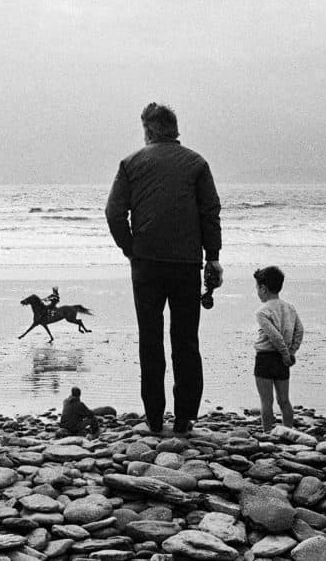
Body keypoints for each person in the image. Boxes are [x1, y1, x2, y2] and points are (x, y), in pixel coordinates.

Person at [105, 103, 222, 435]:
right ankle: (184, 418)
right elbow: (210, 212)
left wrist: (130, 249)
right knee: (186, 340)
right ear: (174, 129)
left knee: (150, 340)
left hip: (146, 264)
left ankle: (154, 418)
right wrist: (212, 257)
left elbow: (114, 214)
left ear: (149, 131)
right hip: (186, 263)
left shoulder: (130, 163)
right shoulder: (197, 163)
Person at [252, 266, 303, 433]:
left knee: (266, 401)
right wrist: (291, 352)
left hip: (265, 358)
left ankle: (267, 433)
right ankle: (289, 431)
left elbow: (274, 336)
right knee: (284, 400)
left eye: (257, 289)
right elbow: (299, 331)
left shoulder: (262, 311)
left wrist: (284, 352)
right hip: (283, 360)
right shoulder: (289, 307)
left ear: (263, 288)